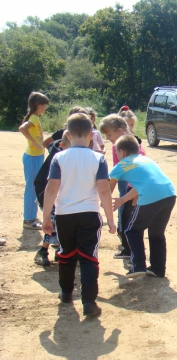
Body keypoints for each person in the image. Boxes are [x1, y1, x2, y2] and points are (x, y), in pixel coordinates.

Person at [42, 113, 116, 316]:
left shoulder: (59, 157)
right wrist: (110, 219)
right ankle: (89, 302)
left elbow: (51, 189)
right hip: (89, 213)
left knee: (66, 253)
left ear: (67, 134)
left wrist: (46, 217)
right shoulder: (98, 158)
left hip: (65, 213)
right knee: (88, 256)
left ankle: (66, 293)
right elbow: (104, 190)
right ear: (92, 135)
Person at [110, 135, 176, 278]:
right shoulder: (146, 160)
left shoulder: (123, 164)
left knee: (131, 230)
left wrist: (103, 202)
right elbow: (141, 185)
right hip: (169, 194)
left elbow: (107, 187)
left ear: (121, 151)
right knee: (156, 233)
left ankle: (138, 265)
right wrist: (122, 200)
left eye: (117, 153)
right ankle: (158, 269)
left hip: (151, 196)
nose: (117, 156)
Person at [99, 114, 144, 260]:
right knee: (125, 217)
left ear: (119, 130)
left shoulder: (132, 144)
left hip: (135, 188)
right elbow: (116, 171)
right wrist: (108, 193)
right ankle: (127, 249)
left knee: (132, 221)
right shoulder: (116, 145)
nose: (107, 138)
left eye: (109, 134)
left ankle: (134, 253)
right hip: (129, 185)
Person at [33, 132, 71, 266]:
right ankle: (42, 251)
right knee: (52, 224)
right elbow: (47, 185)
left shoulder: (70, 157)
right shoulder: (57, 158)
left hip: (61, 195)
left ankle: (60, 251)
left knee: (63, 224)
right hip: (46, 193)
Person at [18, 92, 49, 229]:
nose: (45, 107)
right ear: (38, 105)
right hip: (33, 156)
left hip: (36, 156)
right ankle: (29, 220)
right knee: (32, 187)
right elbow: (22, 128)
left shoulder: (35, 117)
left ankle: (31, 216)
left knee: (34, 186)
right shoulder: (34, 118)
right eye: (44, 105)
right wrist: (34, 143)